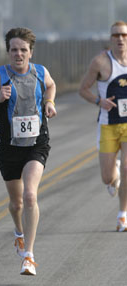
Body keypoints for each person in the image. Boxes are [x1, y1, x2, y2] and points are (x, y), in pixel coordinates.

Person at [0, 27, 57, 276]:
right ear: (8, 52)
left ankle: (29, 256)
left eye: (23, 50)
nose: (18, 54)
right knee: (16, 203)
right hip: (10, 149)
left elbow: (51, 86)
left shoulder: (41, 72)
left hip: (37, 144)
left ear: (31, 52)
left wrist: (49, 102)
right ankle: (19, 233)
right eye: (14, 50)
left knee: (30, 196)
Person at [79, 21, 127, 232]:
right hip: (108, 124)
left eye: (124, 35)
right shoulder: (100, 62)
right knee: (107, 177)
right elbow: (83, 89)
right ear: (110, 39)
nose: (120, 39)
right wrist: (100, 101)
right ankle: (113, 174)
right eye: (116, 35)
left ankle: (122, 214)